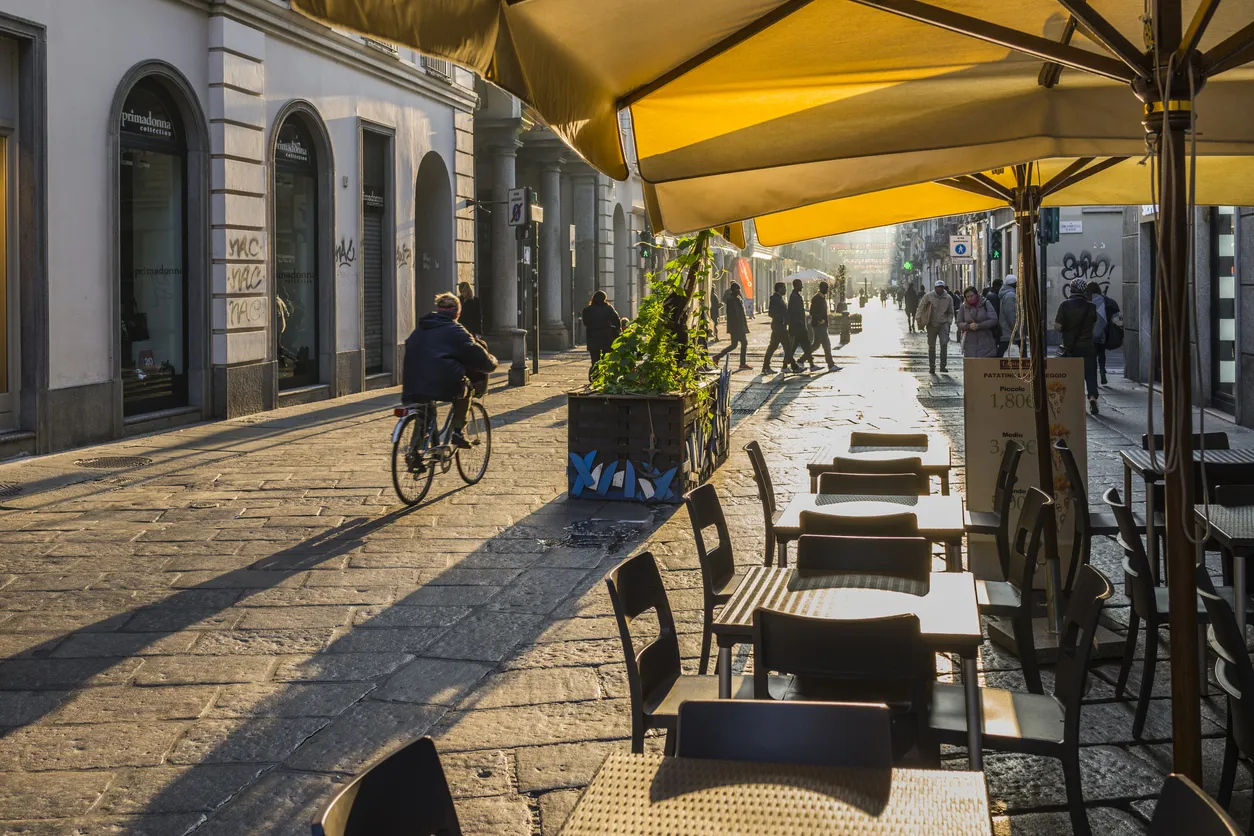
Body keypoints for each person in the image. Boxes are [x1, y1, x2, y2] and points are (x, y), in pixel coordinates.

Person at [402, 292, 498, 449]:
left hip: (413, 383)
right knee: (466, 391)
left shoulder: (420, 329)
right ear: (457, 313)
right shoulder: (456, 330)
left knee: (424, 410)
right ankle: (458, 433)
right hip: (443, 382)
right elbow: (476, 353)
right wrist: (492, 362)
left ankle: (415, 452)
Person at [1054, 277, 1100, 415]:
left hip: (1070, 347)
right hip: (1087, 346)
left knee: (1073, 376)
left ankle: (1077, 403)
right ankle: (1092, 397)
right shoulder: (1091, 306)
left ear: (1072, 289)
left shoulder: (1064, 305)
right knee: (1090, 374)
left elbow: (1058, 326)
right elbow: (1093, 324)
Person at [915, 280, 955, 374]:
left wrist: (948, 322)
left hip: (943, 324)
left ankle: (943, 366)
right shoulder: (928, 296)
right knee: (931, 346)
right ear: (935, 287)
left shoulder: (948, 298)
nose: (940, 289)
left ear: (943, 288)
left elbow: (951, 312)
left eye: (942, 287)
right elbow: (921, 306)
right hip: (931, 324)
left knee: (944, 345)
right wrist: (918, 317)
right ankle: (932, 367)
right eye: (938, 287)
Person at [581, 290, 621, 380]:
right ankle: (605, 375)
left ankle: (595, 375)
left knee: (595, 359)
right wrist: (617, 329)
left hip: (592, 336)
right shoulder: (608, 308)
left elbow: (585, 322)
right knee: (606, 357)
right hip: (606, 336)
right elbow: (616, 319)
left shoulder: (587, 310)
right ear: (604, 299)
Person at [1087, 281, 1120, 384]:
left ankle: (1093, 376)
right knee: (1101, 353)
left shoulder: (1087, 301)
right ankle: (1102, 370)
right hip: (1103, 331)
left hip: (1090, 332)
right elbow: (1117, 315)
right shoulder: (1106, 300)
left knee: (1092, 355)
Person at [715, 282, 751, 371]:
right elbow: (734, 315)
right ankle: (742, 363)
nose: (738, 291)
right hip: (736, 327)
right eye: (736, 289)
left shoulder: (737, 299)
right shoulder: (732, 300)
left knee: (734, 345)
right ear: (733, 290)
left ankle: (717, 357)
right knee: (744, 343)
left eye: (739, 289)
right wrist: (739, 327)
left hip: (739, 326)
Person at [956, 285, 999, 358]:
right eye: (967, 297)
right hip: (970, 341)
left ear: (976, 295)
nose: (969, 298)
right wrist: (968, 326)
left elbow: (994, 319)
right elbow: (959, 322)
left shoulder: (986, 303)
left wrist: (979, 325)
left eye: (971, 296)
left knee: (984, 366)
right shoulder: (963, 307)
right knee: (972, 365)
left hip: (985, 339)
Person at [787, 278, 817, 372]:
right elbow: (794, 312)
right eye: (800, 285)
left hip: (798, 325)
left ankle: (785, 365)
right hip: (798, 326)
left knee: (794, 347)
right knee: (806, 345)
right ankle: (811, 365)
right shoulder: (794, 297)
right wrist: (801, 324)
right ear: (796, 286)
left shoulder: (796, 296)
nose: (802, 286)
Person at [763, 282, 794, 374]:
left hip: (779, 326)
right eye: (784, 287)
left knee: (773, 346)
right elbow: (771, 313)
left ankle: (766, 367)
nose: (785, 289)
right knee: (787, 346)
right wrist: (783, 319)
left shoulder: (779, 298)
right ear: (779, 289)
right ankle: (792, 366)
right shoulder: (775, 299)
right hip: (779, 326)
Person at [810, 281, 840, 371]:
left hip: (822, 325)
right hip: (818, 325)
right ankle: (831, 365)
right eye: (826, 288)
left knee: (815, 345)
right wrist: (820, 320)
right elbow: (812, 312)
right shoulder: (816, 298)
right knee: (827, 345)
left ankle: (801, 360)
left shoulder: (822, 298)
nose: (827, 290)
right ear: (822, 288)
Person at [998, 274, 1019, 357]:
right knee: (1002, 348)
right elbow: (1010, 314)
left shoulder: (1008, 294)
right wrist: (1016, 328)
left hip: (1008, 329)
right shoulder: (1010, 295)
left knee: (1002, 349)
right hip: (1009, 329)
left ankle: (994, 364)